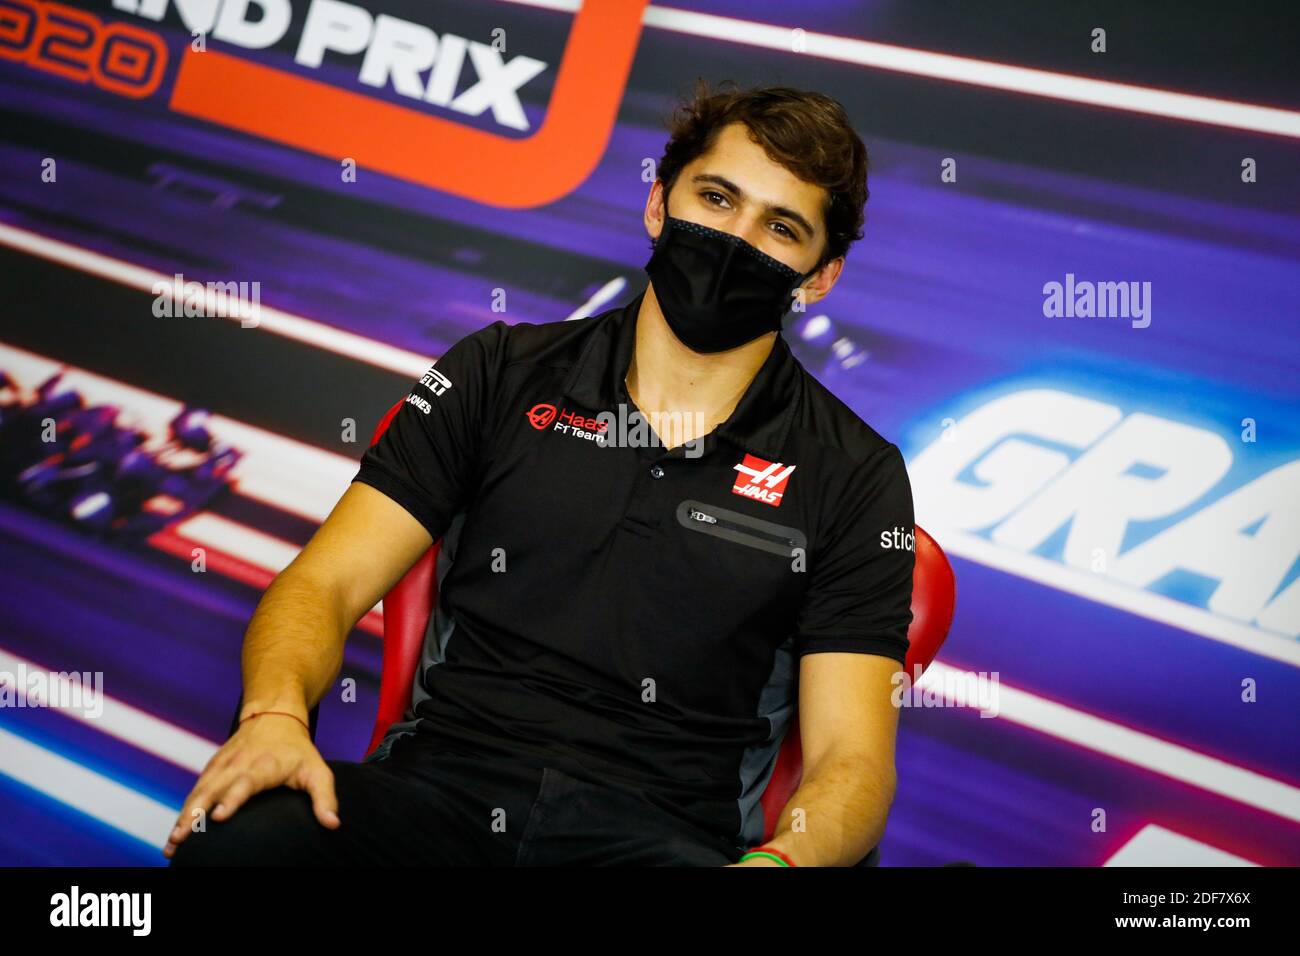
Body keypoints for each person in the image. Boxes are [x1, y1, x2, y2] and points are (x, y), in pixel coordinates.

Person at [166, 80, 915, 867]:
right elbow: (324, 585)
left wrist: (779, 864)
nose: (736, 238)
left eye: (781, 227)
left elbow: (851, 762)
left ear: (820, 275)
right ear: (658, 204)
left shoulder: (856, 475)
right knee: (237, 839)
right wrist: (275, 720)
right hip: (436, 802)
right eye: (718, 198)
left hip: (662, 844)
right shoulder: (499, 372)